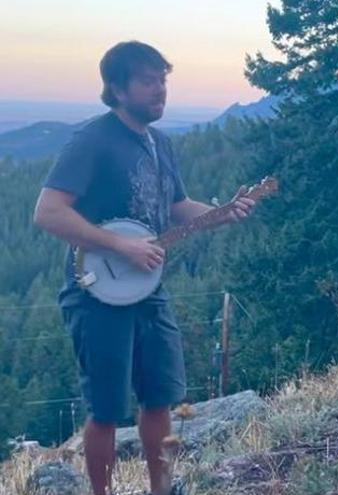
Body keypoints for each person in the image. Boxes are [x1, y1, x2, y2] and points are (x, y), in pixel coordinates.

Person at [32, 40, 255, 495]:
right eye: (148, 81)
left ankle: (162, 488)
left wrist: (223, 212)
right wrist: (121, 246)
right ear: (117, 87)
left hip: (148, 289)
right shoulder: (93, 139)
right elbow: (48, 212)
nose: (160, 91)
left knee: (160, 398)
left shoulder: (161, 144)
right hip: (96, 292)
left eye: (163, 81)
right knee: (106, 409)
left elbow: (175, 207)